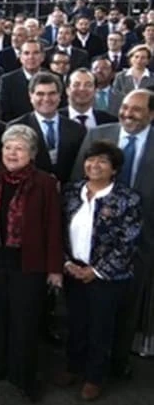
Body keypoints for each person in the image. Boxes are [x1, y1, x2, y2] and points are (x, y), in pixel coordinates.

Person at [0, 124, 63, 402]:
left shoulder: (45, 183)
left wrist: (54, 268)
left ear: (33, 153)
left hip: (28, 264)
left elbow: (53, 227)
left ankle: (23, 375)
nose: (12, 153)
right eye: (8, 147)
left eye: (20, 148)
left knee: (24, 322)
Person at [71, 89, 154, 373]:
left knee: (128, 307)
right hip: (91, 244)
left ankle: (117, 364)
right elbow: (76, 183)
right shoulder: (98, 134)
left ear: (151, 114)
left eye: (136, 110)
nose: (127, 114)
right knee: (86, 310)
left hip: (143, 241)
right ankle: (82, 364)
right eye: (125, 107)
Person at [54, 141, 143, 401]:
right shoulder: (71, 192)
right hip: (73, 269)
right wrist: (67, 263)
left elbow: (128, 242)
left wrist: (97, 271)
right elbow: (57, 230)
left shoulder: (127, 199)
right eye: (91, 160)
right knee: (75, 323)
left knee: (101, 328)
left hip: (107, 277)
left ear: (114, 169)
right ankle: (73, 367)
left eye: (103, 161)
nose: (95, 165)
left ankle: (94, 377)